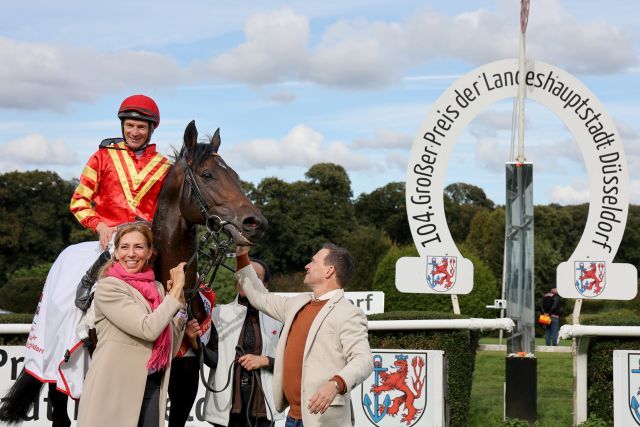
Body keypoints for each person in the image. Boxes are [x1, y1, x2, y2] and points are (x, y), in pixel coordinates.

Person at [235, 243, 373, 427]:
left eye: (313, 261)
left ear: (329, 271)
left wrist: (335, 384)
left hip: (324, 421)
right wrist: (242, 256)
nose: (307, 266)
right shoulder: (298, 303)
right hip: (292, 418)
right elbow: (259, 296)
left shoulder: (349, 313)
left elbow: (364, 360)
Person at [76, 223, 187, 427]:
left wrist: (179, 302)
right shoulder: (109, 287)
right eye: (125, 247)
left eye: (138, 247)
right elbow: (148, 329)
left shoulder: (158, 288)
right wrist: (176, 289)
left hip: (151, 385)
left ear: (149, 252)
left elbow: (170, 343)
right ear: (116, 253)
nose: (131, 253)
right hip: (113, 387)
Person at [203, 259, 284, 427]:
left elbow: (290, 364)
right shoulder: (218, 315)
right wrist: (195, 341)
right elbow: (213, 361)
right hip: (227, 410)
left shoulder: (280, 318)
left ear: (266, 285)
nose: (246, 280)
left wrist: (265, 361)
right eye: (242, 276)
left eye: (254, 276)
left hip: (263, 408)